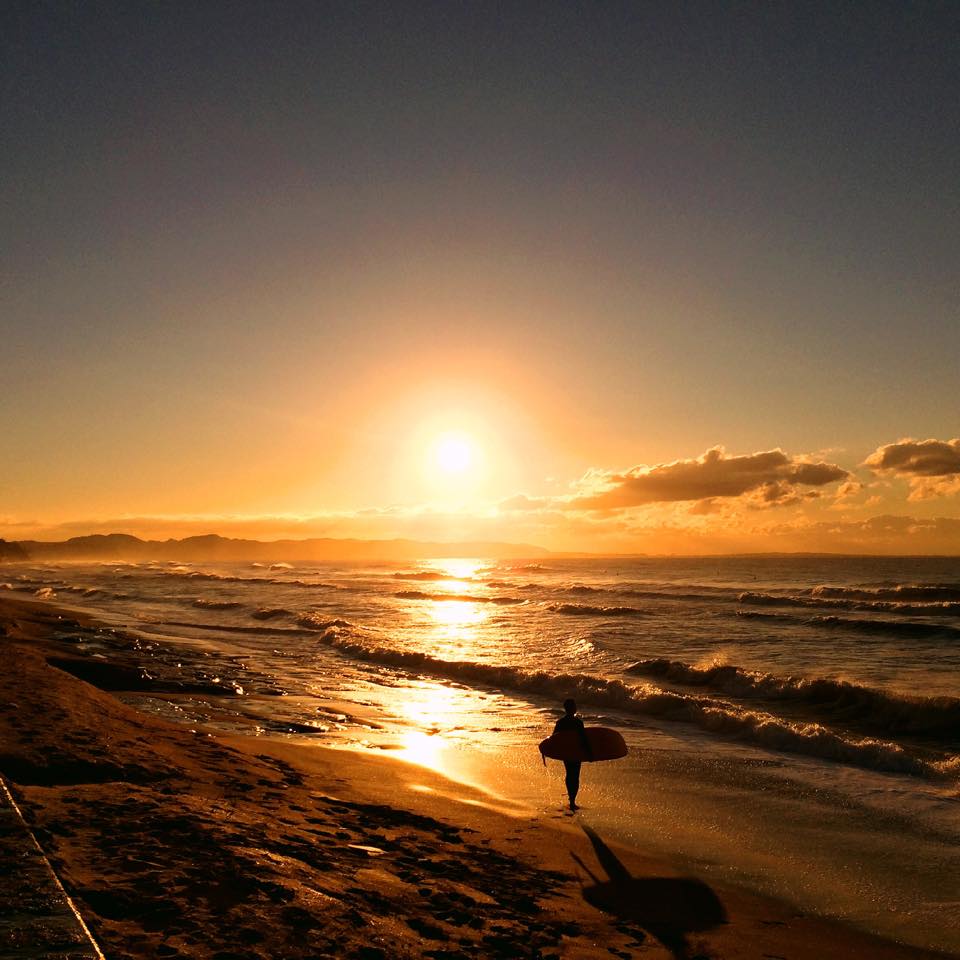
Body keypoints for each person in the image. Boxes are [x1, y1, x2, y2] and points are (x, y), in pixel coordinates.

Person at [553, 698, 592, 810]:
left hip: (566, 752)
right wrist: (589, 754)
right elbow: (584, 740)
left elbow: (554, 737)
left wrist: (555, 751)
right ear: (573, 708)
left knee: (569, 774)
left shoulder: (560, 722)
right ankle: (572, 800)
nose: (575, 708)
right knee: (575, 775)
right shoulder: (578, 722)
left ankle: (571, 799)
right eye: (574, 706)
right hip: (576, 751)